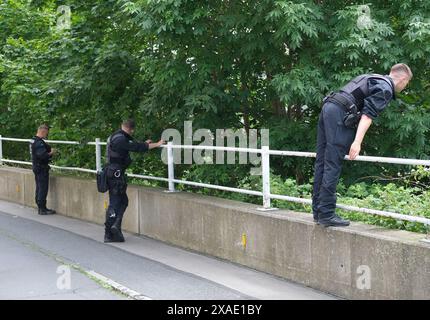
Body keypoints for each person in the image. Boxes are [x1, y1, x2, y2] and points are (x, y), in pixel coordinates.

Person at [312, 63, 413, 227]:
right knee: (332, 163)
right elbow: (367, 116)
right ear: (403, 79)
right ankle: (327, 214)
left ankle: (318, 211)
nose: (405, 87)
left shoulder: (371, 78)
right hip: (338, 114)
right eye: (407, 83)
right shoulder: (385, 89)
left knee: (322, 162)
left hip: (328, 107)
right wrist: (357, 142)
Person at [104, 119, 165, 243]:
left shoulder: (115, 136)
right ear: (131, 129)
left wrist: (144, 143)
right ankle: (109, 233)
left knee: (122, 201)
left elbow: (131, 143)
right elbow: (137, 147)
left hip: (112, 173)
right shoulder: (121, 139)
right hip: (116, 175)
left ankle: (115, 227)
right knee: (115, 203)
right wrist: (157, 144)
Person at [30, 124, 57, 215]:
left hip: (36, 166)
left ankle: (40, 206)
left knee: (39, 187)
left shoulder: (33, 140)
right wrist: (51, 153)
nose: (46, 135)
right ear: (43, 131)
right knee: (42, 188)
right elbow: (43, 156)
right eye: (46, 133)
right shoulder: (39, 143)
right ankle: (42, 209)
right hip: (41, 168)